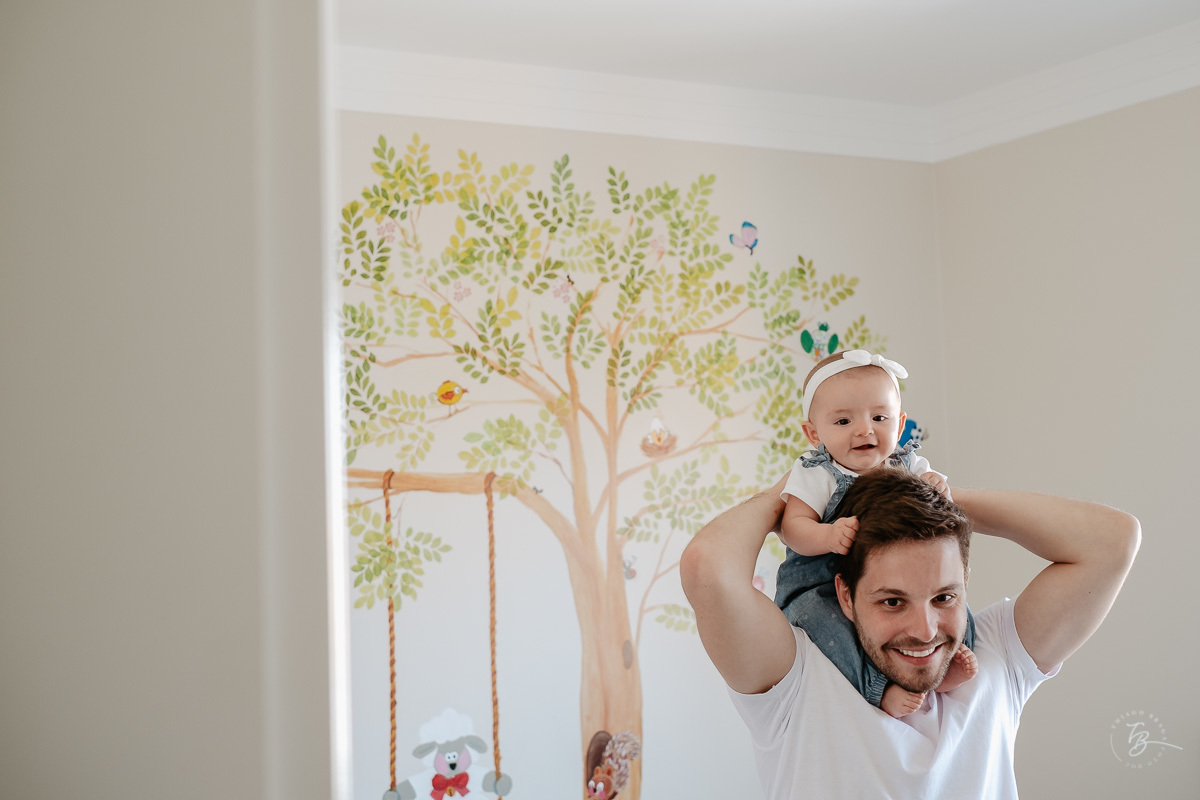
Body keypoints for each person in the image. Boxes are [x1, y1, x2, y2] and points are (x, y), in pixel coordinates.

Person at [680, 467, 1139, 799]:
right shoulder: (797, 679)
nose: (925, 631)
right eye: (892, 602)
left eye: (944, 597)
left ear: (965, 582)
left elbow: (1113, 541)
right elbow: (706, 567)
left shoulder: (995, 654)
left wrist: (942, 499)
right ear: (845, 596)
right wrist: (793, 491)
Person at [775, 349, 977, 717]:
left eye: (879, 417)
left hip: (892, 582)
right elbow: (792, 527)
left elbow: (937, 507)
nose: (864, 429)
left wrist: (936, 487)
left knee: (953, 608)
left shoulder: (907, 464)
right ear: (813, 433)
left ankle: (941, 667)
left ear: (899, 425)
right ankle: (878, 688)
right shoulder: (817, 472)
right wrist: (826, 536)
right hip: (818, 583)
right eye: (843, 421)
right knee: (824, 626)